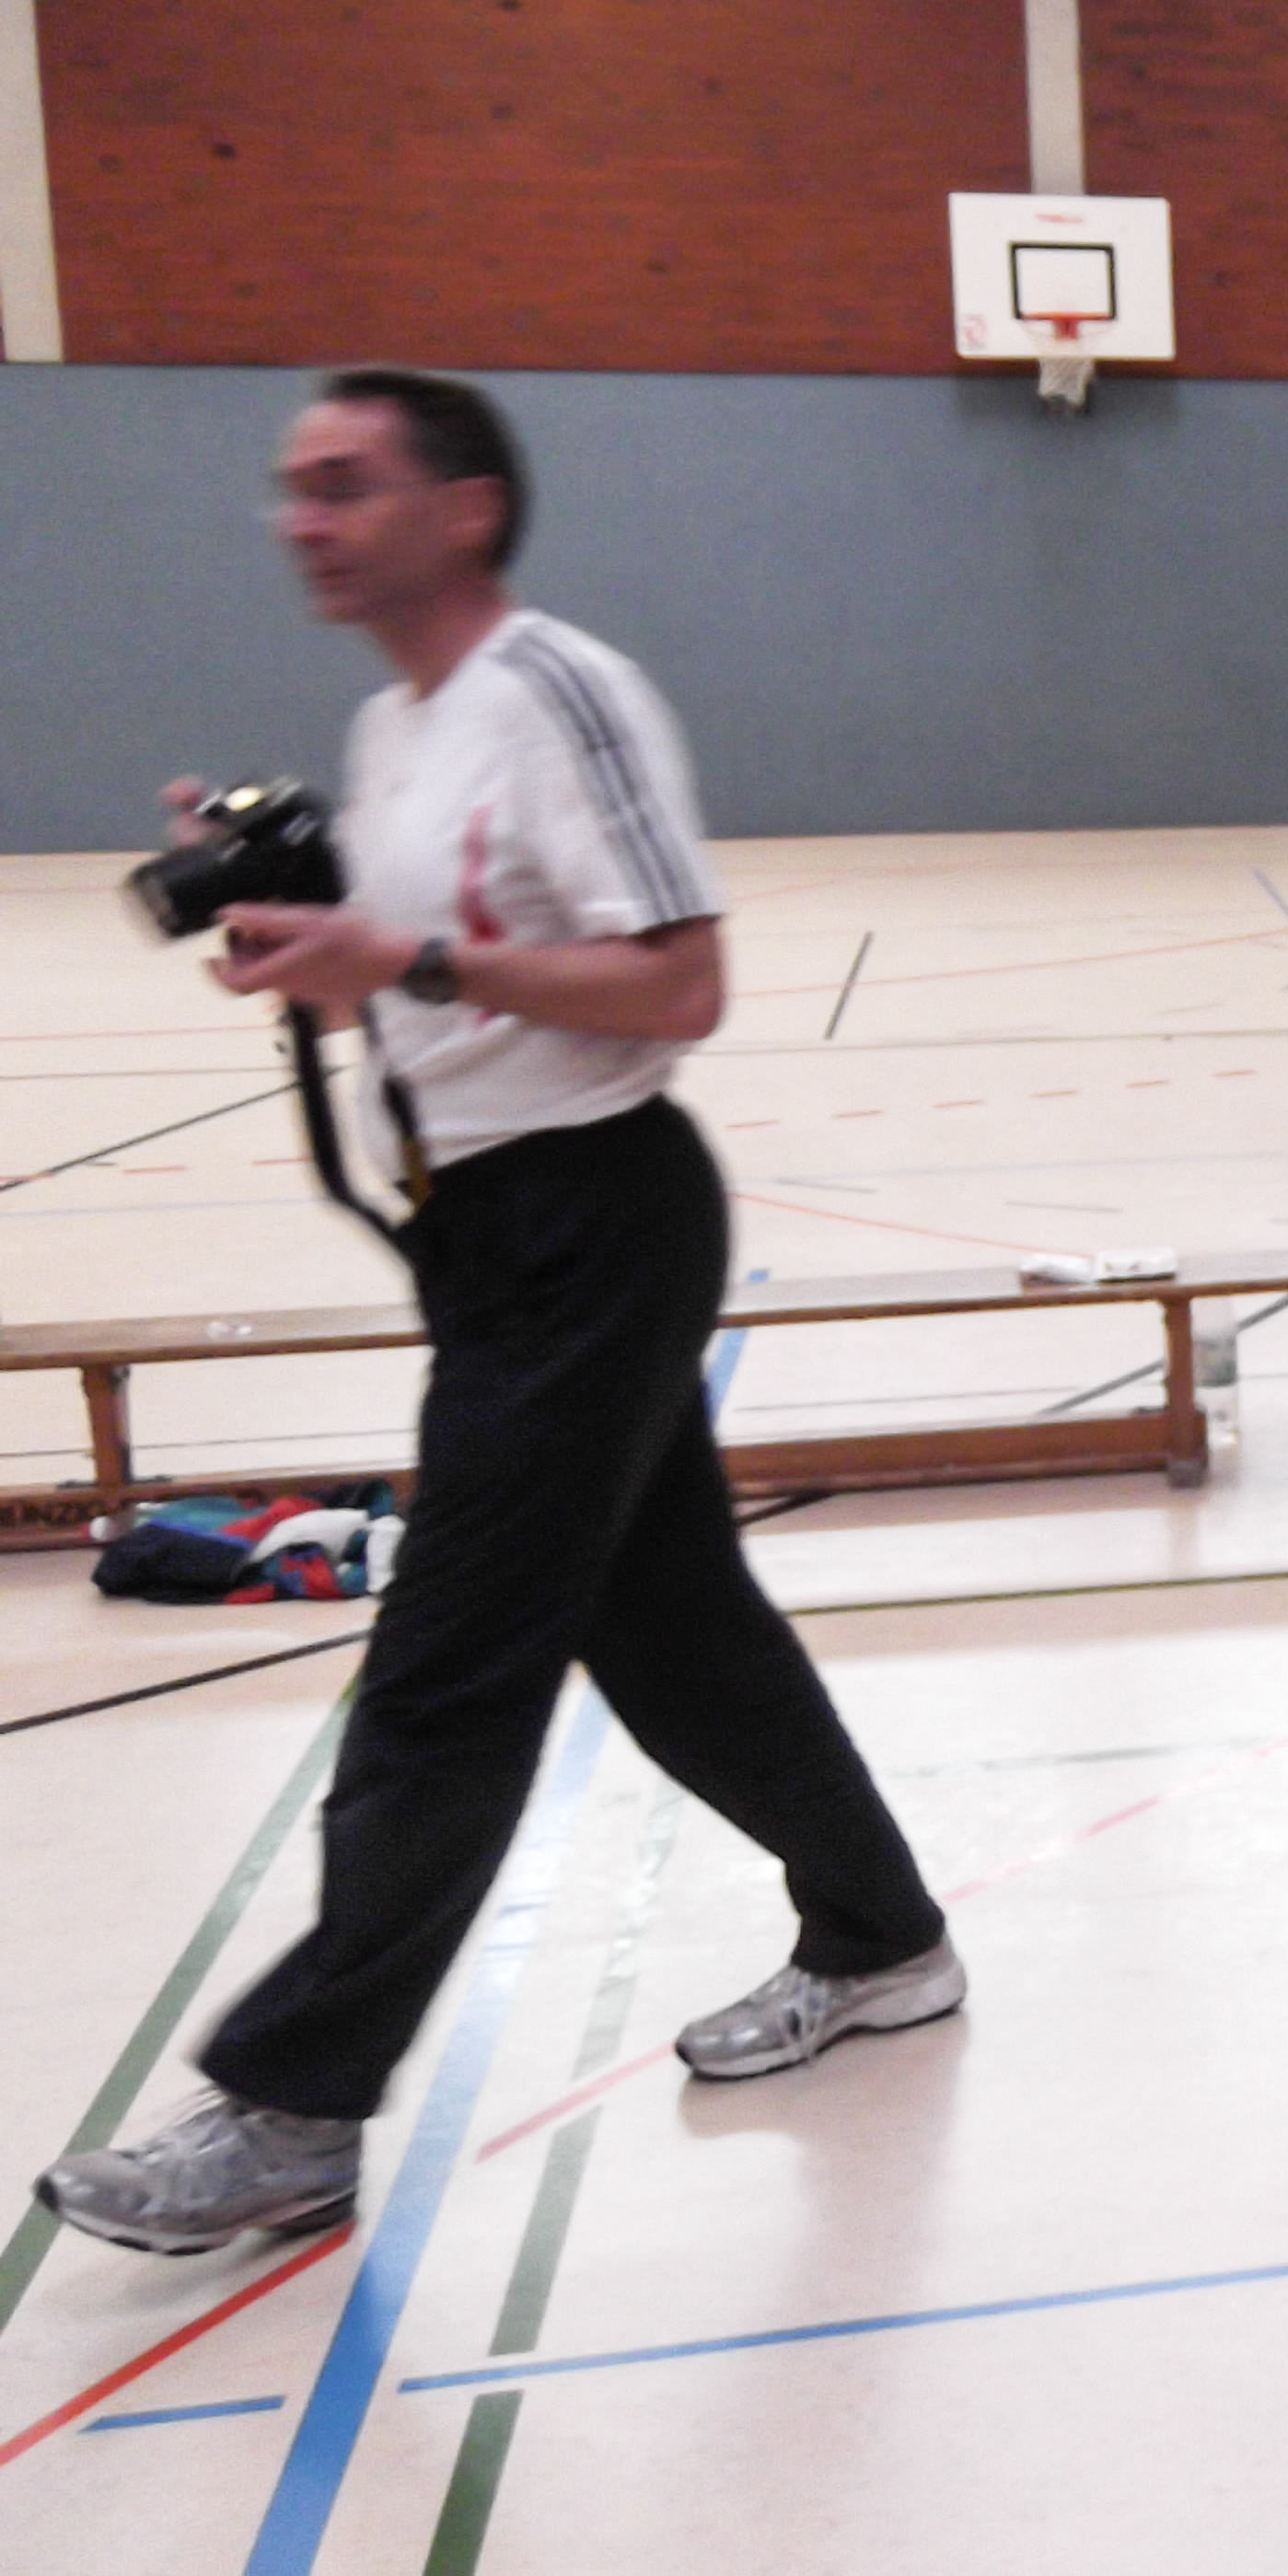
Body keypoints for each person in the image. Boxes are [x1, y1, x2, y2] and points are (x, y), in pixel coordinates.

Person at [36, 369, 961, 2258]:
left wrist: (408, 953)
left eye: (343, 483)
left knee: (448, 1663)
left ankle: (295, 2105)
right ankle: (885, 1937)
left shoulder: (558, 692)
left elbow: (678, 983)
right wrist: (322, 929)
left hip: (593, 1222)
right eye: (292, 487)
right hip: (484, 1234)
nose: (301, 518)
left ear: (463, 508)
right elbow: (428, 973)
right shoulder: (396, 728)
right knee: (678, 1633)